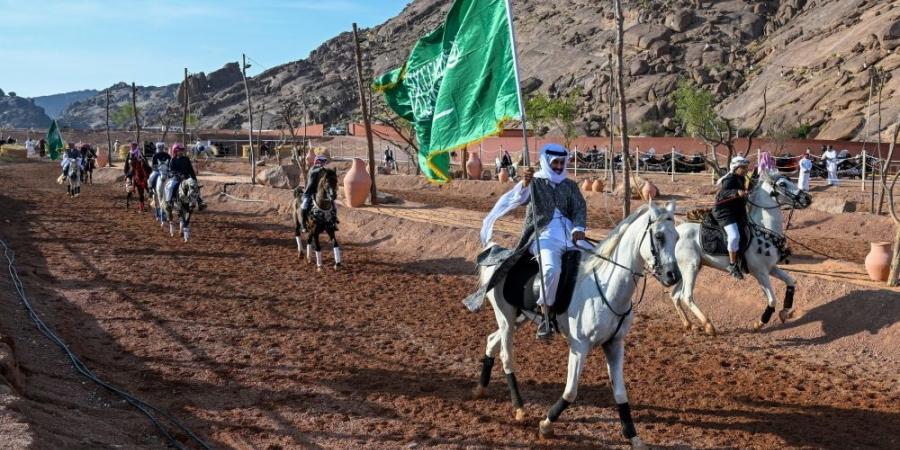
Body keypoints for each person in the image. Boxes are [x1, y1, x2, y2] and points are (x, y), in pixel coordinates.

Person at [470, 143, 587, 340]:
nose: (559, 166)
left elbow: (579, 209)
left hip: (569, 235)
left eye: (561, 162)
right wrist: (524, 184)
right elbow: (520, 199)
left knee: (599, 259)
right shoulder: (535, 182)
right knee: (551, 270)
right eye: (555, 163)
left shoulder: (570, 185)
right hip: (543, 235)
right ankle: (546, 315)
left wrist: (578, 228)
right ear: (547, 162)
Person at [713, 156, 751, 280]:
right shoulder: (729, 179)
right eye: (743, 167)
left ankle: (743, 257)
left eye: (746, 167)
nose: (746, 169)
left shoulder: (741, 177)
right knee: (734, 236)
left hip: (737, 212)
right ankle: (732, 265)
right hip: (725, 213)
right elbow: (721, 195)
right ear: (736, 168)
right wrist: (736, 192)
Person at [165, 143, 206, 210]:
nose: (181, 152)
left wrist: (194, 178)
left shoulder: (186, 159)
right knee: (170, 187)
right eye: (179, 150)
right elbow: (171, 170)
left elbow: (190, 169)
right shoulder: (173, 160)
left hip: (186, 178)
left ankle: (200, 202)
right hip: (176, 178)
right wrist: (178, 175)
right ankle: (169, 202)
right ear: (175, 151)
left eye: (181, 150)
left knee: (195, 186)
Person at [300, 155, 333, 232]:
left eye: (324, 162)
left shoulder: (324, 170)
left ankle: (331, 221)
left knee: (333, 204)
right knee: (304, 206)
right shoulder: (313, 169)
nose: (323, 163)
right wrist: (320, 168)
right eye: (321, 162)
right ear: (317, 162)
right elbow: (313, 172)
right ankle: (303, 225)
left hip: (321, 193)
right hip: (310, 192)